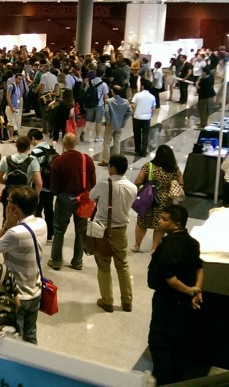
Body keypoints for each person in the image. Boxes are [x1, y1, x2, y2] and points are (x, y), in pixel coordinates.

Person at [147, 205, 204, 384]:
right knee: (178, 339)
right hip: (185, 301)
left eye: (164, 219)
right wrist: (196, 290)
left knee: (159, 339)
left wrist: (190, 291)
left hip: (167, 299)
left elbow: (171, 280)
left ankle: (162, 379)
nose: (159, 221)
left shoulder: (168, 247)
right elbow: (199, 267)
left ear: (176, 224)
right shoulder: (193, 243)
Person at [0, 185, 46, 344]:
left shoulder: (15, 233)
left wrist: (6, 225)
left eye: (8, 201)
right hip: (35, 292)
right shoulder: (41, 223)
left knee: (14, 340)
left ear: (14, 208)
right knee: (30, 335)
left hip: (17, 295)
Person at [92, 155, 138, 313]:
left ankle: (107, 300)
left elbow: (92, 196)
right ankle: (127, 301)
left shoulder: (104, 184)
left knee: (103, 265)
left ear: (112, 168)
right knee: (122, 264)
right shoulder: (132, 187)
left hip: (102, 229)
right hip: (121, 229)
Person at [48, 133, 95, 271]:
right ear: (77, 143)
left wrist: (60, 195)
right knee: (81, 232)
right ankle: (77, 261)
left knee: (59, 230)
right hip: (83, 200)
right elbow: (93, 182)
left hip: (64, 198)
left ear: (63, 143)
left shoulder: (59, 161)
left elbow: (54, 187)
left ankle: (56, 261)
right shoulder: (86, 159)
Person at [133, 145, 184, 253]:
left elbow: (138, 181)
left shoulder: (149, 166)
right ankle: (154, 248)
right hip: (164, 201)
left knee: (142, 223)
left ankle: (137, 245)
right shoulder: (174, 169)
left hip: (148, 199)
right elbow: (181, 183)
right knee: (160, 225)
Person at [101, 86, 132, 166]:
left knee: (107, 142)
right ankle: (115, 161)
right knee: (117, 142)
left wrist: (108, 121)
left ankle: (106, 160)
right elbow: (130, 112)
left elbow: (106, 112)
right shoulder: (125, 102)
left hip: (110, 125)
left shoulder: (108, 101)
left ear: (112, 91)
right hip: (119, 125)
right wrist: (123, 121)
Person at [131, 80, 157, 156]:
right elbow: (153, 108)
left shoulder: (137, 95)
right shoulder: (152, 97)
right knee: (145, 135)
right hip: (147, 118)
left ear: (142, 86)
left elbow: (133, 105)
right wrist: (151, 115)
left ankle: (137, 149)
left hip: (137, 117)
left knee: (137, 134)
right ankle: (143, 151)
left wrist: (134, 113)